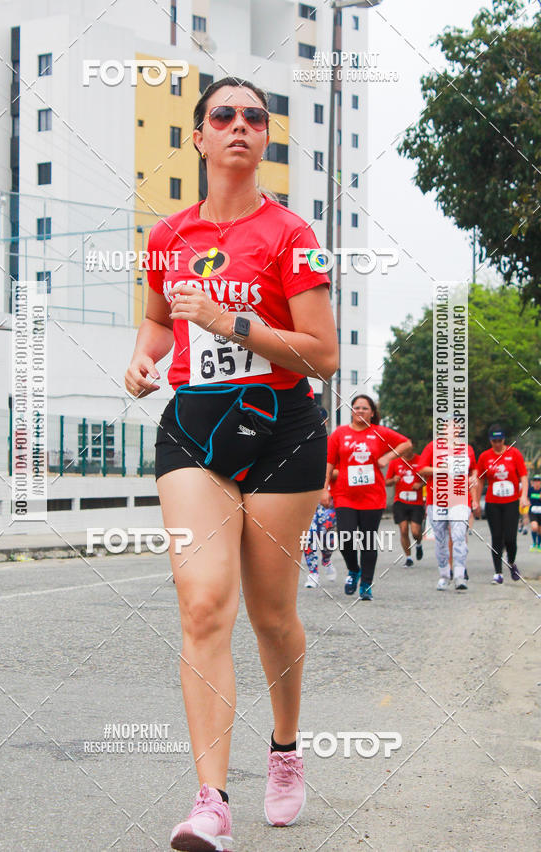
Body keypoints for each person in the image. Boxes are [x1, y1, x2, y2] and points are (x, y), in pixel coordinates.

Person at [124, 76, 338, 852]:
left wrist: (232, 321)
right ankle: (209, 800)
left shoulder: (291, 235)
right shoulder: (167, 238)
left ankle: (284, 750)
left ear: (265, 139)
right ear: (200, 138)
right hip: (195, 433)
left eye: (256, 116)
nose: (241, 125)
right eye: (225, 115)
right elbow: (155, 323)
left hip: (283, 432)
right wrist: (143, 362)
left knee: (272, 616)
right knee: (204, 604)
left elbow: (324, 354)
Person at [324, 395, 411, 601]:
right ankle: (354, 570)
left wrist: (387, 457)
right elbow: (328, 463)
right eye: (356, 408)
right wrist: (324, 489)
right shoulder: (340, 434)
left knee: (368, 540)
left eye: (364, 408)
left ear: (372, 412)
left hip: (372, 496)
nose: (360, 411)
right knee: (346, 538)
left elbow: (406, 444)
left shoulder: (380, 433)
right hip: (345, 495)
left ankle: (366, 585)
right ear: (351, 411)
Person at [418, 423, 479, 591]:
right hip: (437, 499)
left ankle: (460, 576)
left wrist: (473, 477)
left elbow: (473, 469)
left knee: (459, 537)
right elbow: (421, 469)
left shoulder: (468, 449)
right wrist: (441, 469)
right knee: (441, 539)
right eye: (449, 425)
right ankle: (444, 575)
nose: (454, 428)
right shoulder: (432, 447)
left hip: (460, 499)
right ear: (443, 428)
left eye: (457, 426)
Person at [476, 425, 528, 583]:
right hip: (493, 503)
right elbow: (480, 479)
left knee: (510, 538)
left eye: (500, 440)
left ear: (504, 440)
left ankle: (511, 562)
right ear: (490, 441)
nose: (497, 444)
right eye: (494, 441)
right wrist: (476, 502)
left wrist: (523, 496)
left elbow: (524, 477)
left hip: (511, 502)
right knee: (496, 537)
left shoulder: (514, 454)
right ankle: (498, 573)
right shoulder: (485, 456)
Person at [304, 407, 338, 588]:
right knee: (308, 536)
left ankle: (326, 560)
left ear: (325, 422)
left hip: (328, 499)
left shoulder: (332, 442)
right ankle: (313, 573)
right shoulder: (300, 442)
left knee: (327, 537)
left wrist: (326, 474)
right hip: (305, 496)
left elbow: (342, 470)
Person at [385, 447, 425, 567]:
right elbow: (386, 482)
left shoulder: (421, 460)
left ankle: (418, 544)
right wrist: (393, 480)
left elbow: (429, 478)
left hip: (416, 502)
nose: (406, 452)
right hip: (400, 501)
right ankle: (408, 558)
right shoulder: (394, 463)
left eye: (408, 449)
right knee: (403, 530)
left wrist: (420, 484)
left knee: (415, 531)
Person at [528, 474, 541, 551]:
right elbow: (527, 498)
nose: (537, 482)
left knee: (540, 530)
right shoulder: (530, 490)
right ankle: (534, 543)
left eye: (538, 480)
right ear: (533, 482)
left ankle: (539, 545)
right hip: (533, 511)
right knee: (534, 527)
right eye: (535, 480)